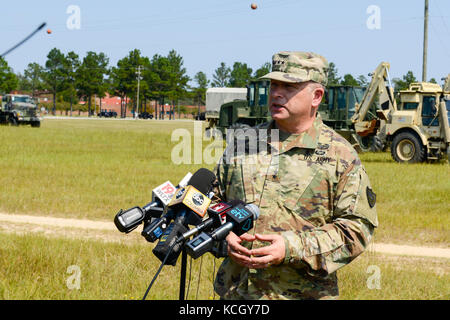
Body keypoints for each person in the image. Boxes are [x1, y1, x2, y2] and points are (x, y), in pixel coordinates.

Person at [212, 51, 378, 300]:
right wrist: (224, 235)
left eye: (289, 86)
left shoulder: (340, 155)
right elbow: (211, 201)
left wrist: (291, 247)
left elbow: (357, 229)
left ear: (317, 96)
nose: (277, 93)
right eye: (274, 85)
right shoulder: (243, 145)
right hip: (237, 294)